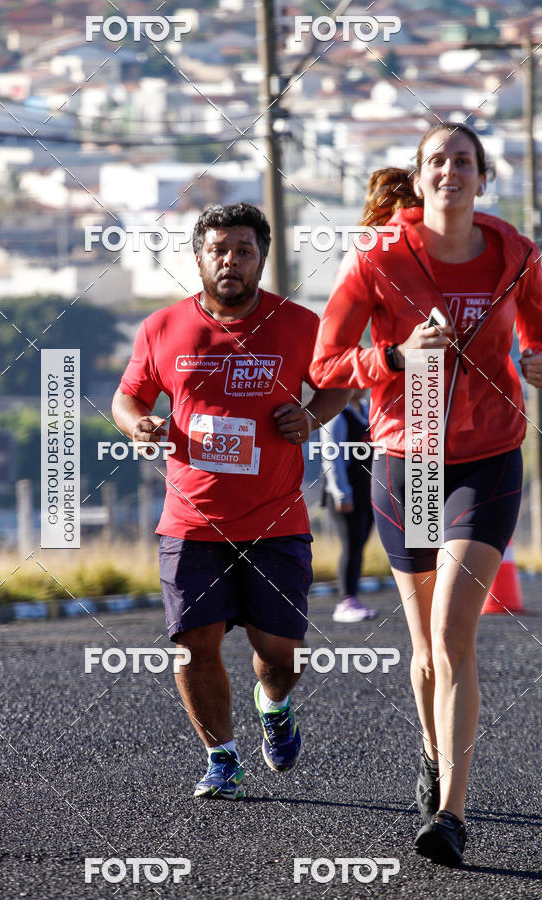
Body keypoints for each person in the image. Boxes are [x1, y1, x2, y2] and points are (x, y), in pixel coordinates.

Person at [310, 122, 542, 865]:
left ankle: (451, 815)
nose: (451, 170)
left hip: (488, 458)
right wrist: (393, 355)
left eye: (464, 161)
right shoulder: (379, 258)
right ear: (420, 177)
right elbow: (326, 360)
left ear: (483, 177)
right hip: (407, 459)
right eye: (437, 160)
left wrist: (537, 359)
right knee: (422, 653)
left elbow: (539, 328)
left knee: (452, 636)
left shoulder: (516, 253)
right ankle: (431, 752)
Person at [113, 202, 349, 800]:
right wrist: (137, 426)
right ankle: (222, 757)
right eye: (218, 250)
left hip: (276, 520)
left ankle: (274, 706)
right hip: (190, 520)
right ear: (198, 258)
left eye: (243, 250)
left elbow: (340, 384)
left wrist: (310, 416)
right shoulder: (162, 327)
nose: (230, 261)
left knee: (278, 655)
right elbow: (127, 398)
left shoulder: (300, 323)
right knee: (195, 644)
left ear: (262, 258)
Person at [320, 390, 377, 622]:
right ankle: (347, 602)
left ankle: (352, 599)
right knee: (351, 546)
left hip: (367, 492)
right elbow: (332, 458)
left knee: (360, 545)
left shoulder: (367, 411)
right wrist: (342, 494)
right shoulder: (337, 416)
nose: (362, 386)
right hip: (346, 494)